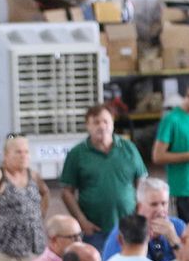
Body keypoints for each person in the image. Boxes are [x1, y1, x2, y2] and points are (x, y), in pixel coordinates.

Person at [59, 104, 146, 244]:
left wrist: (140, 213)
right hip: (95, 230)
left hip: (129, 226)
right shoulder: (77, 154)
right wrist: (82, 221)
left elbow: (142, 182)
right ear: (87, 126)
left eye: (106, 121)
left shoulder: (129, 148)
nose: (101, 126)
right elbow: (66, 192)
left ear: (112, 123)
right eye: (96, 122)